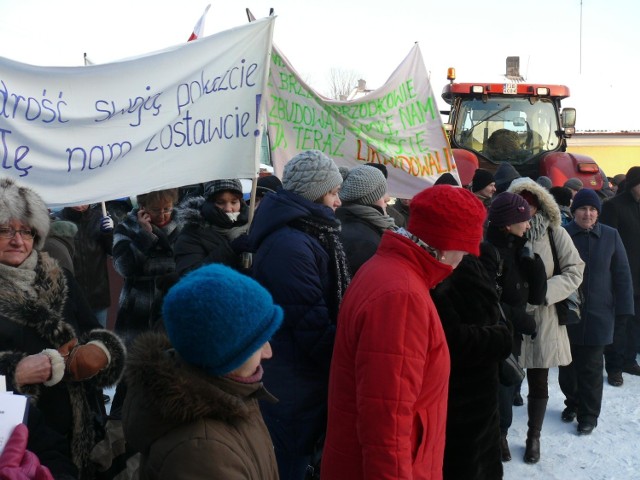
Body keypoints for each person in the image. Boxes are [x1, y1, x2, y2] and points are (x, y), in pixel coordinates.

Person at [322, 184, 486, 480]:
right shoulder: (401, 296)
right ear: (447, 245)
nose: (463, 261)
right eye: (465, 250)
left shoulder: (391, 270)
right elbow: (387, 421)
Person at [0, 178, 126, 479]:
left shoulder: (61, 277)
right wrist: (12, 372)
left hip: (83, 432)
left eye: (26, 231)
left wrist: (99, 351)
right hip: (23, 445)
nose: (18, 240)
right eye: (5, 230)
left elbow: (95, 330)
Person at [122, 263, 283, 479]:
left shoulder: (233, 390)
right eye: (258, 343)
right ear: (224, 356)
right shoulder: (205, 453)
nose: (268, 352)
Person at [247, 150, 349, 480]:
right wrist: (346, 363)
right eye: (334, 192)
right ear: (315, 192)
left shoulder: (305, 233)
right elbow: (312, 327)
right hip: (291, 381)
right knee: (288, 464)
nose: (338, 202)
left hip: (297, 378)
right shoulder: (291, 245)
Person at [507, 178, 584, 464]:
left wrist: (543, 294)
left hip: (544, 317)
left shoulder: (555, 233)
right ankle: (501, 434)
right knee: (506, 379)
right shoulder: (503, 234)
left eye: (531, 202)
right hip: (510, 318)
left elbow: (575, 270)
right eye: (520, 202)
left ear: (540, 204)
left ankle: (533, 436)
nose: (526, 208)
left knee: (539, 381)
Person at [431, 253, 512, 479]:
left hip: (482, 404)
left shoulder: (472, 259)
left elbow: (493, 311)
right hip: (457, 405)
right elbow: (450, 339)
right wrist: (501, 338)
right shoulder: (442, 271)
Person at [559, 188, 634, 434]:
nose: (588, 214)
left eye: (592, 209)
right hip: (566, 315)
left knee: (591, 368)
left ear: (598, 213)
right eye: (582, 208)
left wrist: (624, 310)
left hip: (600, 313)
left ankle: (588, 415)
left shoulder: (611, 236)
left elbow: (622, 274)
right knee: (567, 368)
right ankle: (573, 402)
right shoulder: (562, 234)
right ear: (574, 211)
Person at [479, 192, 547, 463]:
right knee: (499, 394)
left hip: (512, 336)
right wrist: (522, 319)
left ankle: (501, 434)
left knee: (508, 386)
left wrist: (534, 263)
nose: (529, 224)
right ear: (508, 223)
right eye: (524, 219)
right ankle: (499, 436)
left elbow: (536, 297)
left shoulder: (520, 248)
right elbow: (487, 302)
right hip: (495, 334)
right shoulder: (488, 253)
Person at [109, 187, 183, 420]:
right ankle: (121, 427)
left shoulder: (184, 226)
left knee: (169, 367)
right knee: (131, 370)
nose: (162, 215)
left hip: (171, 305)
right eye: (155, 210)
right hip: (138, 307)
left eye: (167, 209)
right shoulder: (126, 227)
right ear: (142, 208)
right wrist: (145, 236)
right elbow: (123, 267)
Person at [599, 166, 640, 384]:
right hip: (621, 276)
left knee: (636, 323)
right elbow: (607, 243)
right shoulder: (613, 206)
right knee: (619, 323)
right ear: (633, 184)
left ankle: (629, 359)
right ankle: (614, 367)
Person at [55, 204, 115, 327]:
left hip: (98, 296)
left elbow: (114, 251)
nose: (80, 205)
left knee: (100, 341)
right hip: (69, 297)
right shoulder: (58, 220)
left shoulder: (100, 218)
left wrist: (109, 234)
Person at [174, 178, 249, 275]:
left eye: (234, 202)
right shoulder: (191, 233)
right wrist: (230, 251)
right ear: (208, 203)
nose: (228, 209)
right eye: (220, 203)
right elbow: (189, 276)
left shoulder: (253, 226)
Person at [336, 165, 395, 276]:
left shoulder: (345, 221)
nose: (387, 198)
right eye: (382, 194)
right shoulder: (365, 243)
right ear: (370, 199)